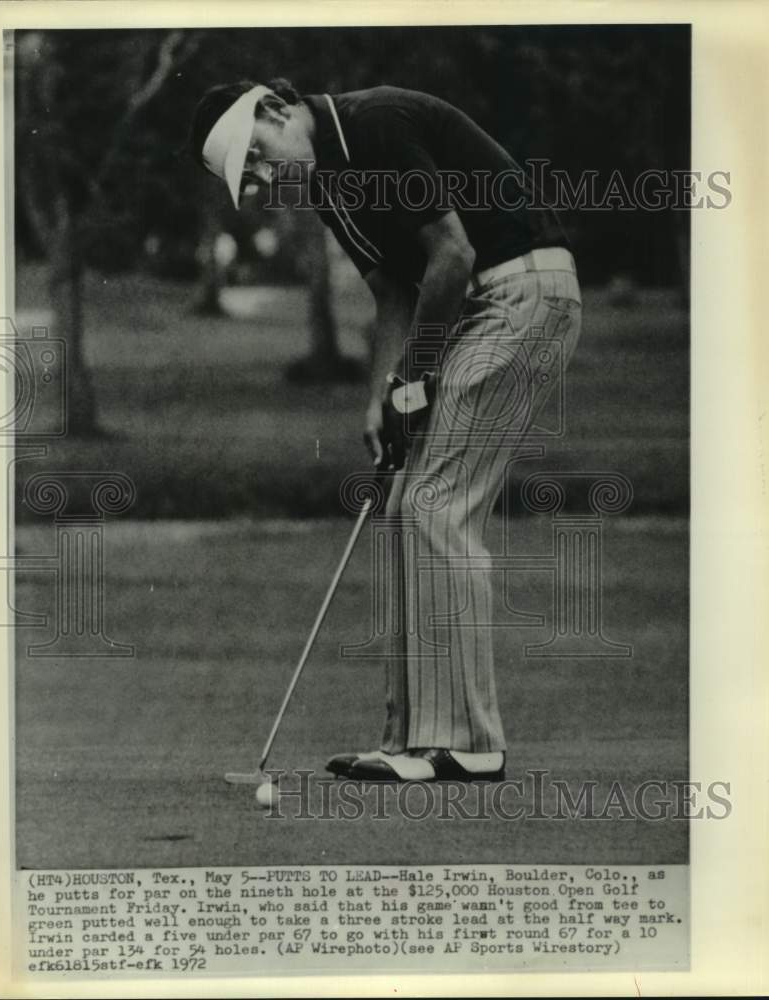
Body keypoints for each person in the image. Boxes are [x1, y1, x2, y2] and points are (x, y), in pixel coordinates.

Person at [189, 79, 582, 782]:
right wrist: (382, 397)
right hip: (477, 306)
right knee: (407, 509)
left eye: (256, 155)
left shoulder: (373, 127)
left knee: (436, 506)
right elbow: (393, 291)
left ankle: (466, 743)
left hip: (522, 293)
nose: (260, 178)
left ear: (277, 111)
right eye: (246, 178)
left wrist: (415, 378)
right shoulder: (325, 186)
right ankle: (413, 741)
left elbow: (452, 256)